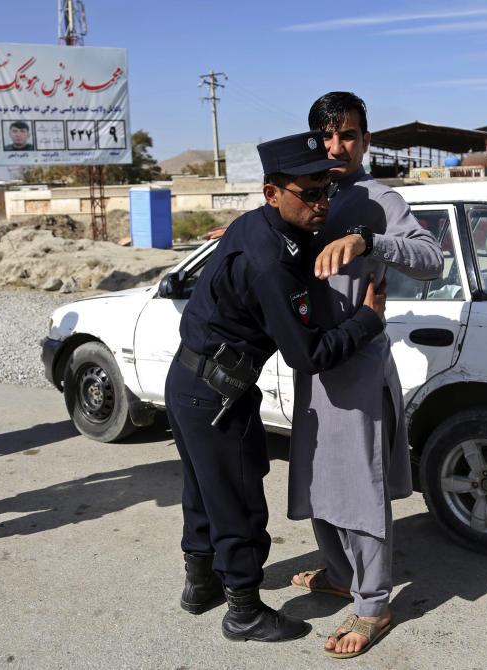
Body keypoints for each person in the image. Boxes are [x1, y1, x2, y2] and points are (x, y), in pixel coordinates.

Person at [166, 130, 389, 643]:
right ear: (273, 193)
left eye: (326, 191)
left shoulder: (256, 225)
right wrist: (367, 320)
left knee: (203, 489)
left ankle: (200, 587)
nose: (321, 204)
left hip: (189, 381)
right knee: (238, 501)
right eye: (309, 194)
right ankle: (243, 610)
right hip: (219, 391)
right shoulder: (271, 262)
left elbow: (303, 243)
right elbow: (306, 355)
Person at [287, 92, 444, 658]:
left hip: (358, 369)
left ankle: (373, 604)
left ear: (366, 140)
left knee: (360, 483)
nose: (337, 147)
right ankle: (337, 572)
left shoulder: (380, 199)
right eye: (327, 137)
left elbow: (433, 259)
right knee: (316, 475)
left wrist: (369, 240)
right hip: (315, 365)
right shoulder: (307, 195)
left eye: (348, 135)